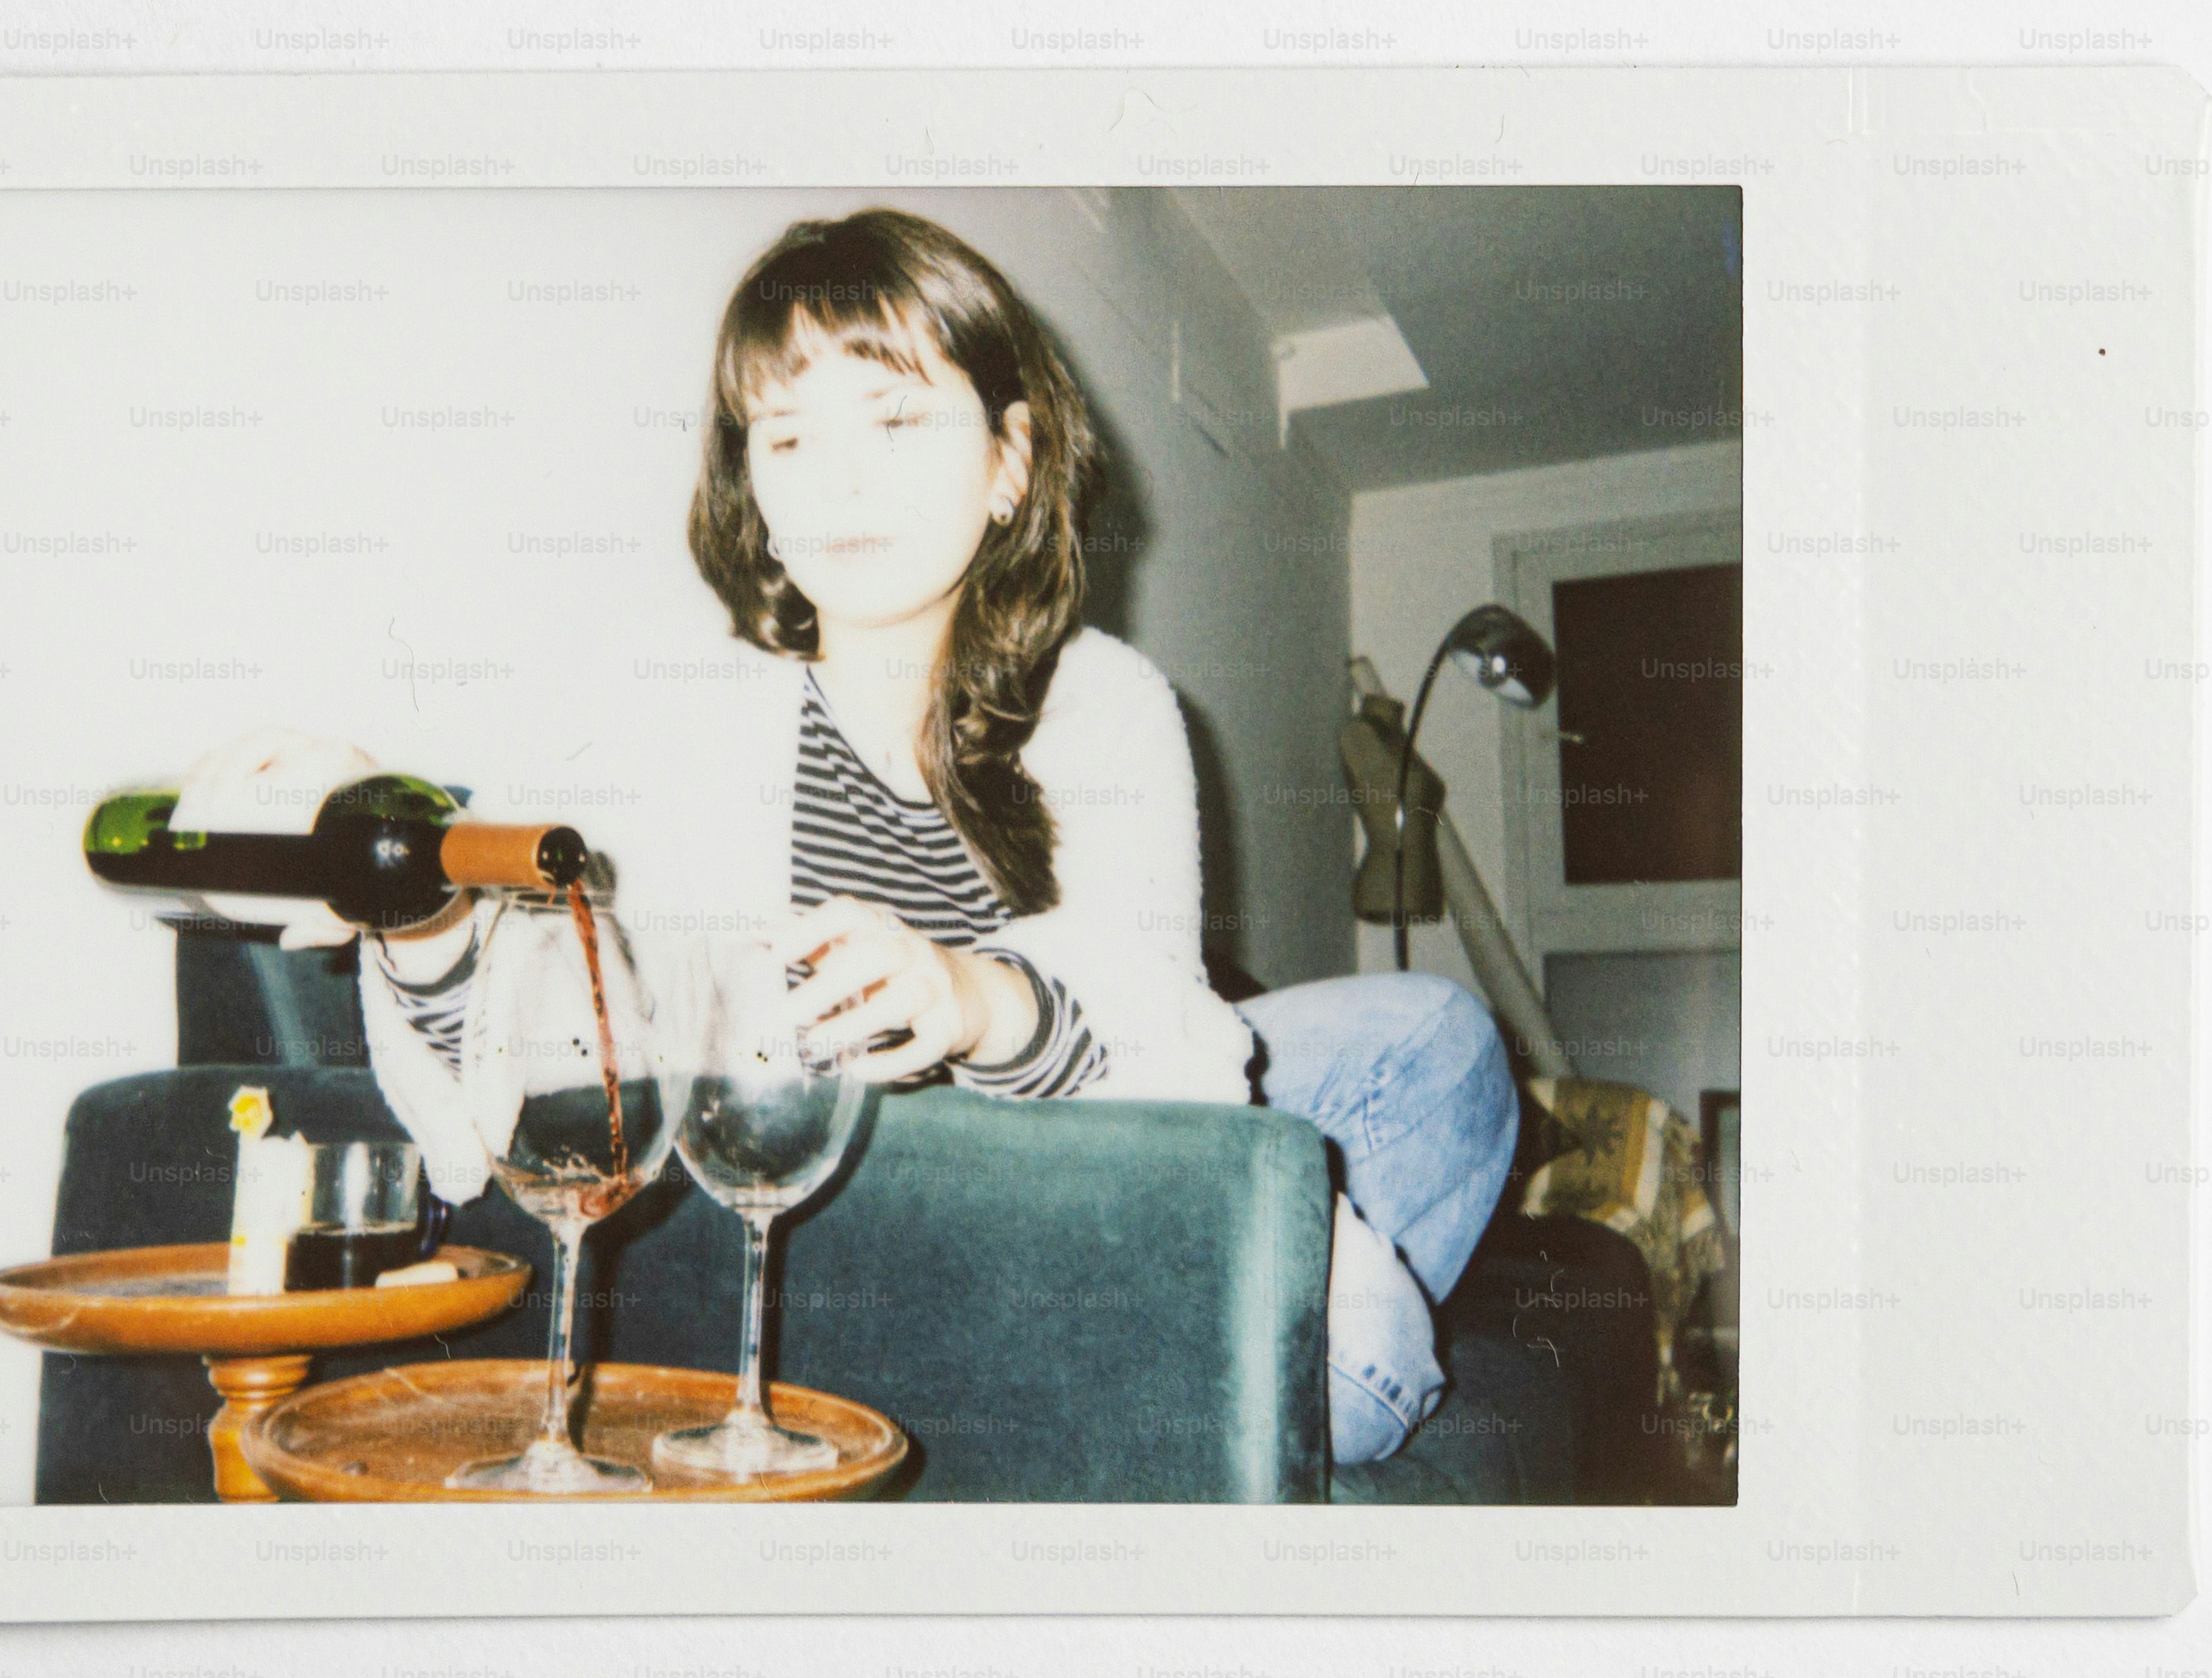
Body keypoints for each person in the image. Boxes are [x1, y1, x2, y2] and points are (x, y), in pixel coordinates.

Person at [180, 207, 1517, 1465]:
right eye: (787, 437)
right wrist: (412, 896)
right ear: (749, 481)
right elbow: (540, 1061)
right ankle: (1116, 1354)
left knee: (1440, 1038)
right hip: (858, 1210)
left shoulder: (1101, 699)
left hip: (1075, 1144)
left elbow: (1157, 1024)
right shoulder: (660, 700)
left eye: (892, 416)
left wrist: (975, 997)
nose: (837, 480)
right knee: (1356, 1361)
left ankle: (1184, 1316)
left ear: (1009, 461)